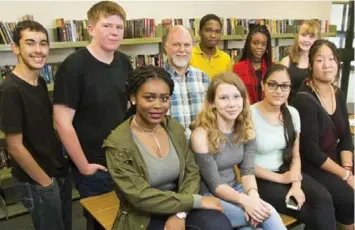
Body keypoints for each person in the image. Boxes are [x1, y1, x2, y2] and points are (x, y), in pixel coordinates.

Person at [104, 65, 233, 230]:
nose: (158, 105)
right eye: (149, 98)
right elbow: (140, 196)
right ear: (133, 98)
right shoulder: (117, 143)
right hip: (143, 215)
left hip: (181, 204)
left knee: (218, 224)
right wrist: (195, 201)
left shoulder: (173, 127)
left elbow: (191, 172)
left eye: (164, 98)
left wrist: (180, 213)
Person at [53, 1, 132, 229]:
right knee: (99, 222)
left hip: (123, 161)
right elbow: (62, 122)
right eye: (107, 26)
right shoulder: (73, 67)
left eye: (119, 27)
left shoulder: (124, 62)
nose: (114, 32)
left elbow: (126, 106)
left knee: (124, 219)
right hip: (94, 165)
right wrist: (84, 166)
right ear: (91, 29)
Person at [190, 72, 286, 229]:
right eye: (224, 98)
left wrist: (253, 198)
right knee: (268, 214)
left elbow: (247, 171)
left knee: (253, 223)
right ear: (212, 102)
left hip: (236, 189)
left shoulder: (246, 128)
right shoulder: (200, 135)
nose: (232, 103)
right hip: (209, 196)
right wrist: (246, 203)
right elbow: (215, 185)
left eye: (236, 96)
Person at [0, 20, 71, 230]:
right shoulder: (10, 90)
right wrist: (45, 183)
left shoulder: (39, 82)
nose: (39, 50)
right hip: (37, 180)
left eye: (43, 43)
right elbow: (14, 146)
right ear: (15, 48)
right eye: (30, 43)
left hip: (56, 171)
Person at [251, 64, 337, 230]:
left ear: (290, 88)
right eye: (272, 84)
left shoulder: (292, 113)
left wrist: (296, 184)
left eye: (284, 86)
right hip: (262, 179)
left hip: (288, 172)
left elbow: (295, 155)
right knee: (309, 211)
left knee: (325, 199)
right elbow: (244, 164)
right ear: (263, 85)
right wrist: (283, 179)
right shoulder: (249, 115)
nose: (279, 91)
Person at [292, 39, 354, 230]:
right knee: (348, 197)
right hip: (311, 164)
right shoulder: (304, 100)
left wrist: (348, 169)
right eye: (320, 60)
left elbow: (344, 137)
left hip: (334, 159)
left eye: (331, 59)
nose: (327, 65)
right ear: (310, 65)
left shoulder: (337, 93)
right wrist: (345, 176)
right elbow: (311, 152)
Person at [163, 25, 210, 138]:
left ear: (193, 47)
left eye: (187, 45)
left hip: (200, 149)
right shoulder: (154, 80)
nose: (182, 50)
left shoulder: (203, 78)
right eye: (176, 44)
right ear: (165, 47)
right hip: (169, 150)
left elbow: (211, 116)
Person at [280, 20, 320, 103]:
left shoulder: (320, 63)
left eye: (311, 37)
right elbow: (281, 92)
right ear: (297, 36)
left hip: (314, 110)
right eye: (303, 35)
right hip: (291, 110)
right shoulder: (286, 62)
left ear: (317, 40)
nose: (306, 40)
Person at [233, 24, 272, 104]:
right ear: (249, 44)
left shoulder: (272, 68)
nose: (259, 47)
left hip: (267, 112)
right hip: (245, 112)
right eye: (255, 43)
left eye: (263, 44)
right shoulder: (237, 68)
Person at [190, 14, 233, 79]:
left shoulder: (226, 59)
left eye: (217, 31)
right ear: (199, 32)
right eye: (208, 30)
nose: (213, 35)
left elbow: (228, 84)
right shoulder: (189, 55)